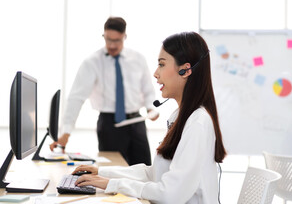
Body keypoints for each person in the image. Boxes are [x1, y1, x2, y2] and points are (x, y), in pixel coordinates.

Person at [71, 32, 227, 203]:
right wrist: (101, 173)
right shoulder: (181, 117)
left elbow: (169, 195)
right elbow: (153, 173)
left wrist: (113, 184)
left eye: (161, 64)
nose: (155, 73)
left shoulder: (197, 123)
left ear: (185, 70)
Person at [50, 17, 158, 165]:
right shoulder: (92, 62)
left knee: (143, 169)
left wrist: (151, 108)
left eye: (117, 41)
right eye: (108, 40)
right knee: (112, 171)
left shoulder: (138, 59)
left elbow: (148, 90)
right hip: (109, 125)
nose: (112, 45)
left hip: (136, 122)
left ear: (124, 37)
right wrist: (66, 133)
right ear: (104, 36)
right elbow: (76, 97)